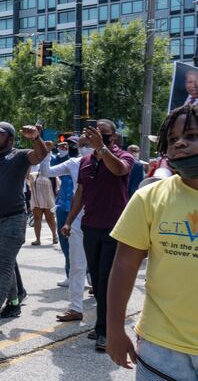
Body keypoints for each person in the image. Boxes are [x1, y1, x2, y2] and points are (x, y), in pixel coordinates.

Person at [106, 104, 198, 379]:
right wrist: (114, 330)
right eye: (172, 140)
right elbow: (124, 265)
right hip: (161, 347)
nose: (179, 142)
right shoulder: (150, 197)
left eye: (191, 136)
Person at [62, 119, 135, 351]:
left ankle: (105, 331)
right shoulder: (85, 161)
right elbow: (80, 193)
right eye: (94, 134)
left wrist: (102, 148)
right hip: (91, 227)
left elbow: (119, 170)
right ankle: (103, 325)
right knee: (96, 279)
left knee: (106, 281)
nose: (96, 137)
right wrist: (69, 221)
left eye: (102, 134)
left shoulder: (123, 156)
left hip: (115, 228)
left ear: (112, 137)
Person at [0, 121, 48, 326]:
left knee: (4, 265)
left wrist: (36, 138)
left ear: (11, 138)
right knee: (4, 263)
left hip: (14, 219)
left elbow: (41, 155)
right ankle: (13, 303)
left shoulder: (21, 155)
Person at [40, 136, 89, 323]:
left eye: (88, 144)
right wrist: (45, 154)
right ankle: (76, 308)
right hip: (77, 217)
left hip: (103, 218)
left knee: (103, 266)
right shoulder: (73, 163)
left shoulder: (110, 161)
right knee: (77, 265)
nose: (85, 148)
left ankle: (107, 312)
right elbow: (47, 173)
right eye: (82, 145)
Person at [51, 136, 80, 287]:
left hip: (80, 209)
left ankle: (86, 275)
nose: (69, 147)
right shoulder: (64, 161)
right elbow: (50, 169)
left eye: (72, 145)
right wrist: (61, 153)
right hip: (63, 207)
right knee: (65, 244)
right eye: (66, 145)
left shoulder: (84, 160)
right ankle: (69, 275)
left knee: (83, 245)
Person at [28, 165, 59, 246]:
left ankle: (54, 236)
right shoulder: (34, 175)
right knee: (37, 219)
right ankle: (37, 239)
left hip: (49, 201)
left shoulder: (53, 175)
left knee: (50, 219)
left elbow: (57, 189)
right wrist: (28, 164)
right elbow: (27, 177)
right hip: (36, 201)